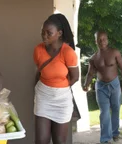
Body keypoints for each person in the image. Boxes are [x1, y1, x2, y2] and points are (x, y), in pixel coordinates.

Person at [33, 13, 79, 144]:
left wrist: (59, 88)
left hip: (62, 100)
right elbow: (40, 72)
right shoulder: (38, 50)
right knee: (41, 140)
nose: (44, 35)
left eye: (49, 33)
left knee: (59, 141)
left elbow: (75, 77)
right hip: (43, 97)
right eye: (42, 32)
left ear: (59, 33)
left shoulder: (68, 52)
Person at [83, 30, 122, 143]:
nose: (102, 41)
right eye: (99, 39)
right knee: (104, 112)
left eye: (104, 39)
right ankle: (105, 139)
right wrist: (86, 84)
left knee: (116, 109)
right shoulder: (93, 58)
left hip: (115, 85)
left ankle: (115, 133)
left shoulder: (115, 52)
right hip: (101, 86)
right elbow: (90, 73)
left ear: (107, 40)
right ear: (96, 41)